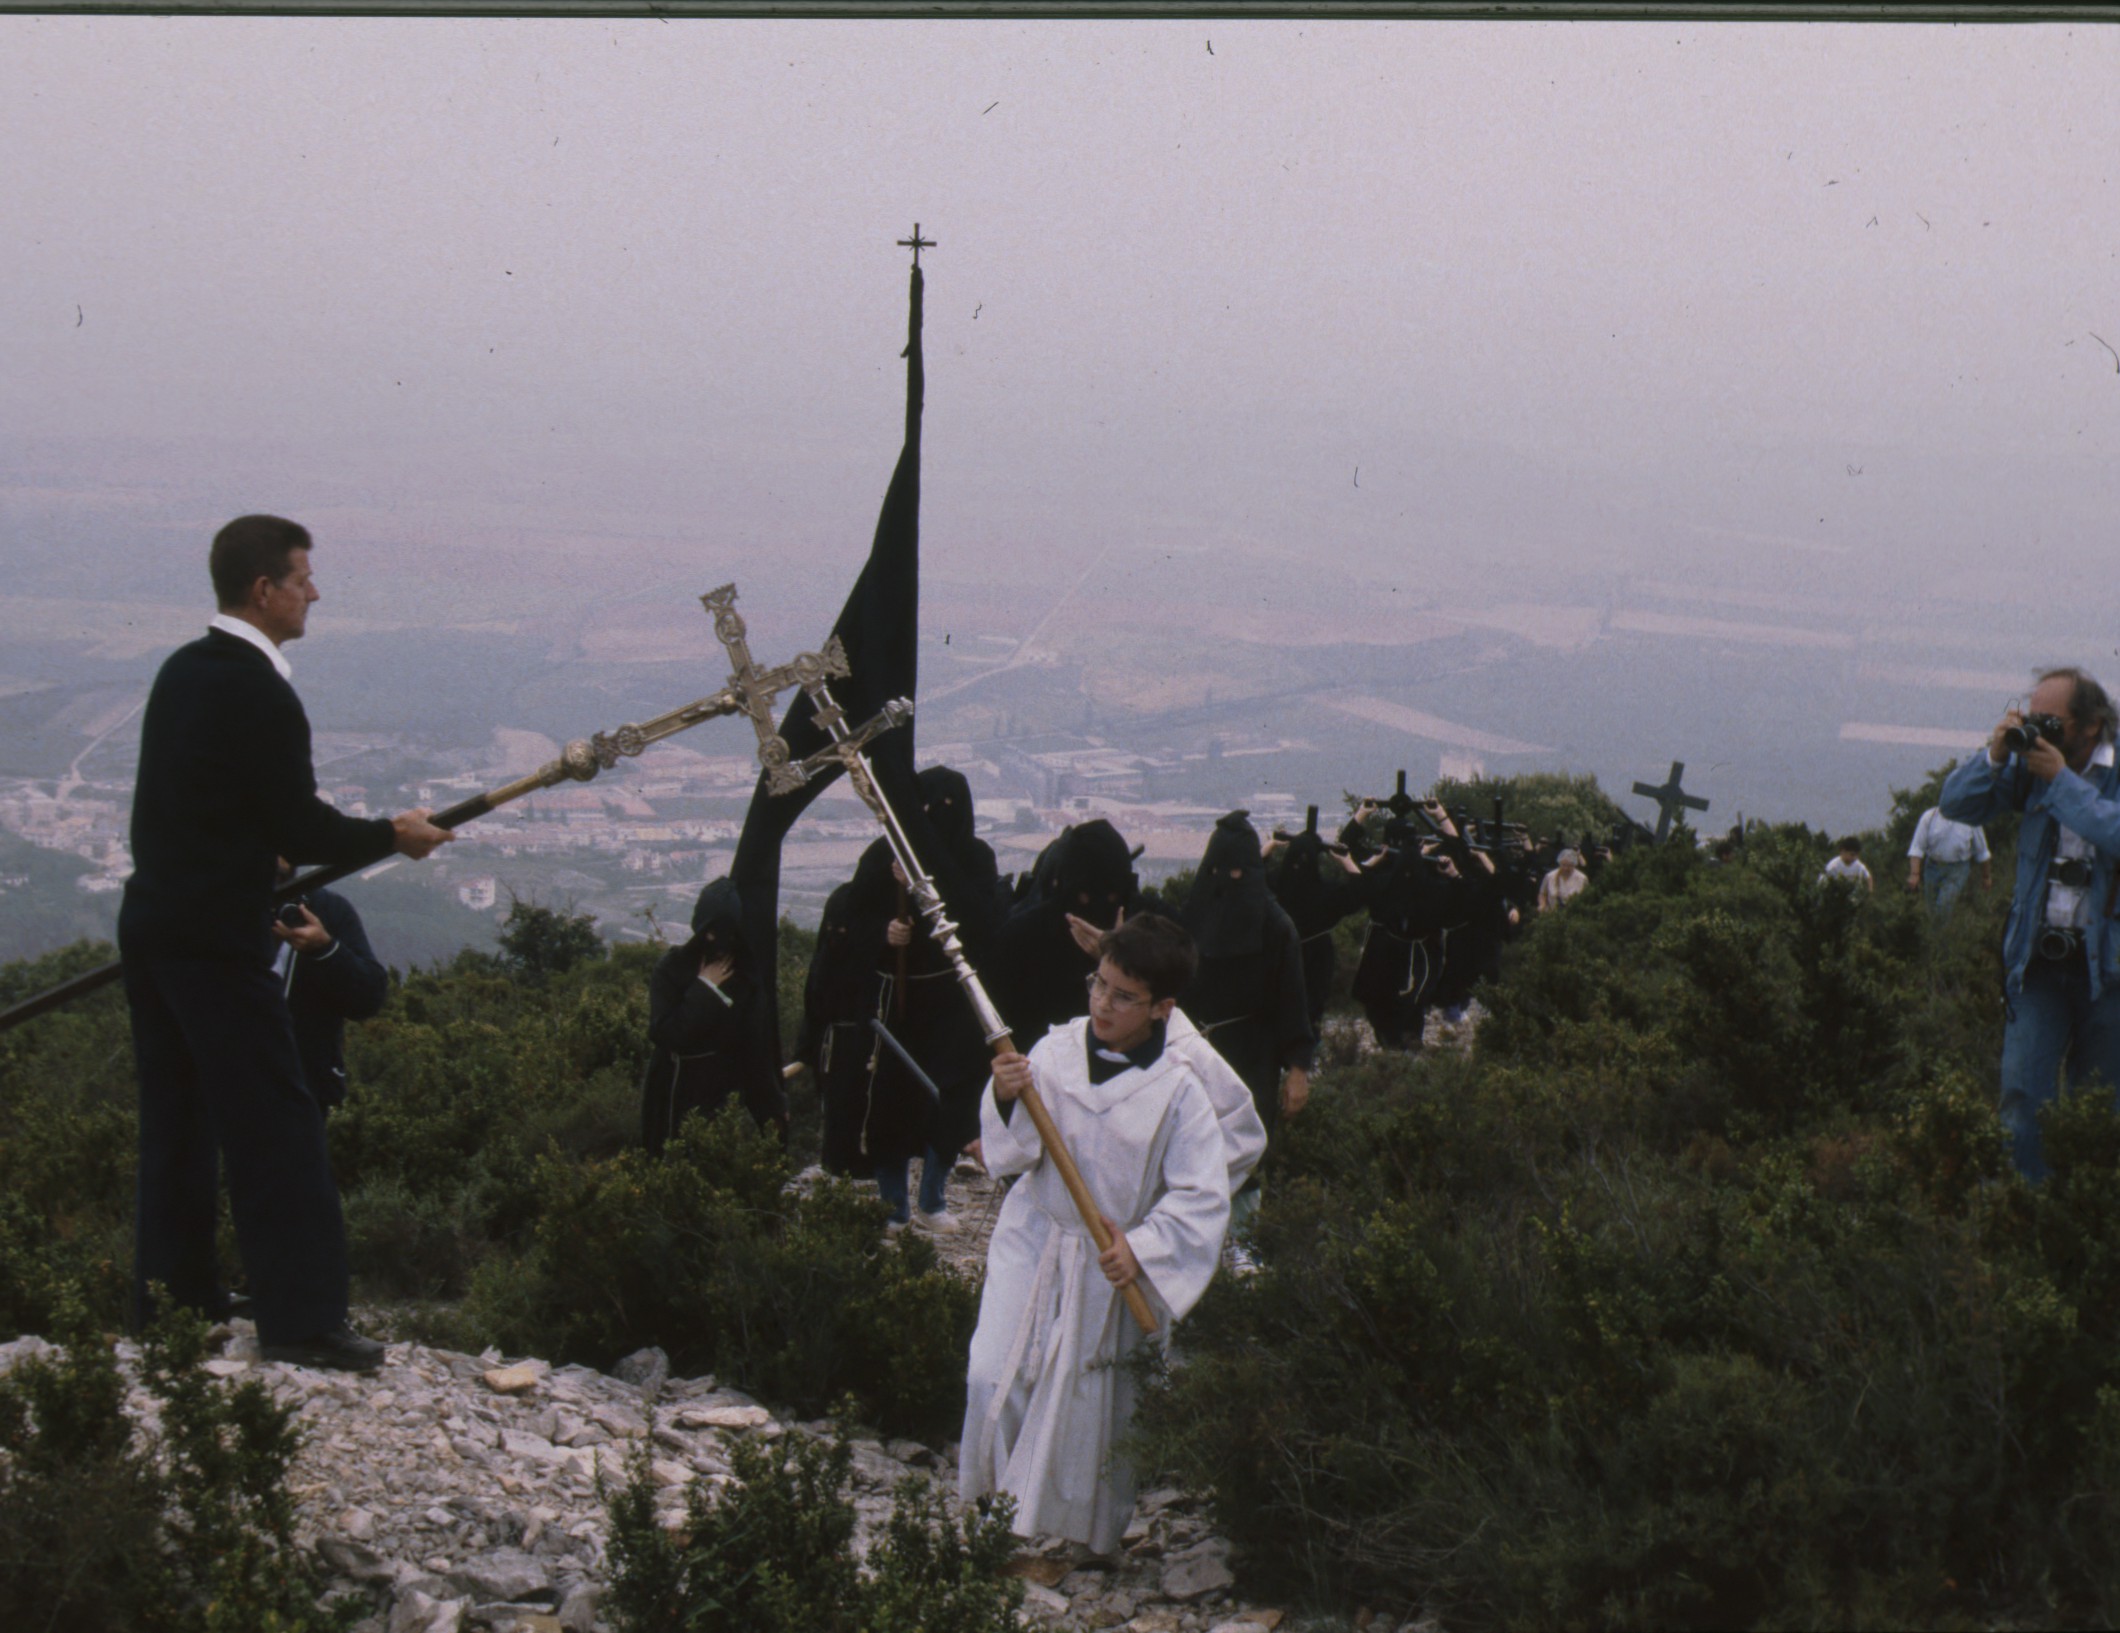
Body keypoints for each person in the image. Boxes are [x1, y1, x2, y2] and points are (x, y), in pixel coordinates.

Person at [121, 515, 452, 1373]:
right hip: (215, 935)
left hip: (154, 921)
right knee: (277, 1115)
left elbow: (186, 808)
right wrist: (394, 833)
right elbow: (298, 823)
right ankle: (302, 1319)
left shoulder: (183, 670)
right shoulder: (260, 689)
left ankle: (172, 1295)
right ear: (263, 590)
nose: (315, 591)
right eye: (303, 576)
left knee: (178, 1114)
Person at [958, 914, 1232, 1557]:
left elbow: (1201, 1196)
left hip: (1111, 1263)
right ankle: (989, 1520)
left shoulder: (1179, 1092)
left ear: (1163, 1008)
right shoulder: (1053, 1052)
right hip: (1036, 1235)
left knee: (1089, 1404)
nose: (1102, 1003)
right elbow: (1015, 1153)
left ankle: (1078, 1538)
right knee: (991, 1373)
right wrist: (1003, 1097)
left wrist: (1142, 1247)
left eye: (1122, 996)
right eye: (1098, 984)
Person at [1941, 667, 2120, 1181]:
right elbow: (1956, 804)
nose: (2041, 729)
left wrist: (2060, 780)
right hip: (2038, 963)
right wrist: (1996, 755)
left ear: (2091, 726)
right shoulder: (2031, 768)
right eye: (2032, 714)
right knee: (2022, 1103)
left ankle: (2089, 1226)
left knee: (2101, 1109)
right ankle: (2025, 1217)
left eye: (2052, 721)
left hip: (2109, 972)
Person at [642, 876, 785, 1153]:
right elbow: (664, 1033)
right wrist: (704, 988)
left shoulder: (744, 977)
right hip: (671, 1087)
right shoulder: (671, 968)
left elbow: (755, 1047)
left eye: (723, 933)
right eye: (709, 932)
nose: (714, 941)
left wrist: (772, 1106)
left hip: (719, 1089)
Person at [271, 859, 388, 1115]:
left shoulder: (327, 910)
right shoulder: (213, 908)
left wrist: (326, 950)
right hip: (216, 1084)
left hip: (305, 1089)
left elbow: (369, 998)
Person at [1905, 805, 1993, 919]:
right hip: (1933, 867)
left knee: (1944, 905)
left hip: (1958, 869)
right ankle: (1936, 933)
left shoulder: (1971, 819)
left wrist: (1986, 877)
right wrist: (1914, 874)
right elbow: (1917, 847)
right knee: (1931, 909)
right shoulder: (1929, 817)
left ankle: (1940, 933)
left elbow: (1982, 852)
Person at [1537, 848, 1589, 913]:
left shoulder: (1582, 878)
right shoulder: (1549, 876)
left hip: (1574, 915)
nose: (1566, 868)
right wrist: (1542, 905)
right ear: (1559, 863)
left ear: (1574, 865)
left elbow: (1587, 898)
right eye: (1563, 865)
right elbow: (1542, 894)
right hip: (1552, 914)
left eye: (1569, 866)